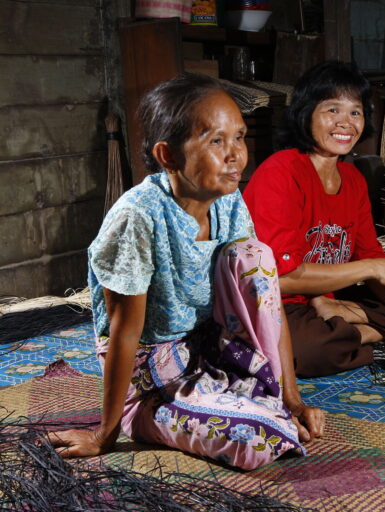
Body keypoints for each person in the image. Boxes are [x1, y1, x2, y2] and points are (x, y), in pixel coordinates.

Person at [47, 73, 324, 471]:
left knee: (256, 257)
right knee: (258, 439)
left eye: (240, 137)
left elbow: (267, 300)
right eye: (215, 141)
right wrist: (103, 436)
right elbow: (124, 331)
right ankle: (139, 417)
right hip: (153, 379)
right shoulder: (138, 217)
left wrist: (292, 400)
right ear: (168, 156)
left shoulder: (230, 202)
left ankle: (256, 400)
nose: (235, 155)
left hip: (208, 350)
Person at [242, 60, 385, 377]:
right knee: (308, 348)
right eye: (332, 110)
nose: (345, 123)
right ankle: (369, 332)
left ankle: (347, 319)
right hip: (276, 304)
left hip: (328, 298)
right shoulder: (282, 171)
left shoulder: (353, 179)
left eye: (355, 112)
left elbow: (371, 257)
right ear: (307, 113)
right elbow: (280, 277)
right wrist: (372, 269)